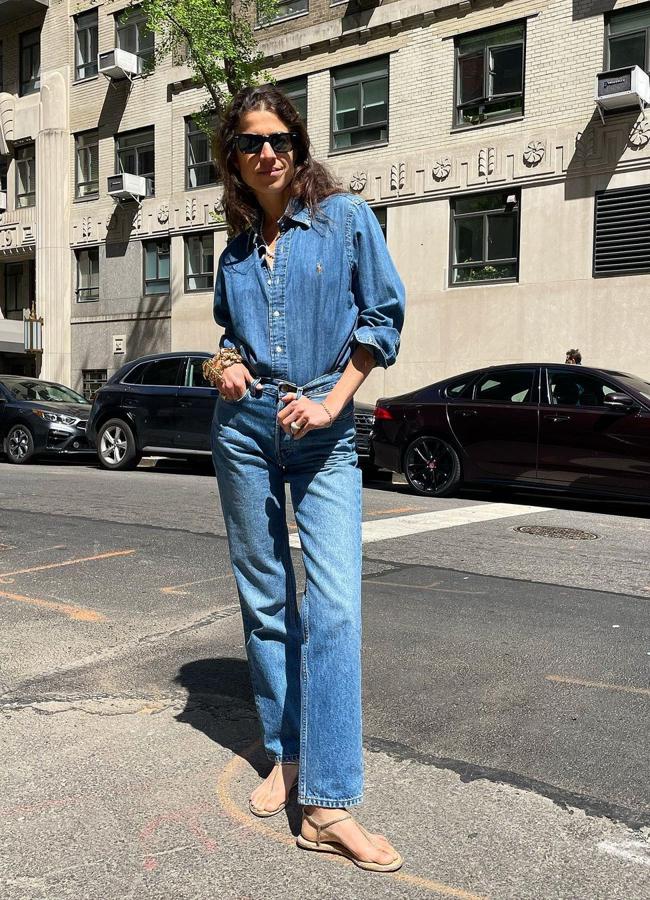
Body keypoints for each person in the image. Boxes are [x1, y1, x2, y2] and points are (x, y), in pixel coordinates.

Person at [210, 85, 405, 872]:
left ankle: (327, 802)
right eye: (252, 144)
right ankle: (286, 754)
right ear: (235, 162)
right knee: (264, 601)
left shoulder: (347, 220)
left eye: (280, 140)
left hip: (322, 433)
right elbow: (228, 337)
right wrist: (221, 365)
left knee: (332, 611)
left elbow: (382, 320)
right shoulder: (231, 251)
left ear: (300, 145)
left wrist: (329, 405)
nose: (268, 154)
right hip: (245, 430)